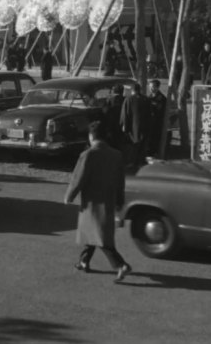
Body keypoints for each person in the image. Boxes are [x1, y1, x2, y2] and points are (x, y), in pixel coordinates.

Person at [64, 121, 132, 283]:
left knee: (99, 236)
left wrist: (70, 195)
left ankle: (120, 265)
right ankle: (84, 261)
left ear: (91, 136)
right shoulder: (116, 155)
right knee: (93, 232)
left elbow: (78, 178)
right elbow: (120, 181)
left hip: (92, 201)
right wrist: (120, 201)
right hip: (108, 199)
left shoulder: (88, 154)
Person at [120, 83, 150, 170]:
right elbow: (150, 114)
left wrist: (124, 125)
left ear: (132, 90)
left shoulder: (129, 99)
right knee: (143, 143)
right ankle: (141, 161)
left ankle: (133, 162)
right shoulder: (146, 99)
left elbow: (125, 114)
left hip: (133, 126)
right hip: (144, 126)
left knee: (134, 143)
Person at [147, 79, 167, 156]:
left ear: (157, 87)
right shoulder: (149, 97)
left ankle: (155, 153)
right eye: (150, 87)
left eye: (153, 87)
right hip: (149, 123)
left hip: (157, 123)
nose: (151, 89)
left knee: (155, 139)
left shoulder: (162, 98)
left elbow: (160, 110)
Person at [103, 84, 125, 150]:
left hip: (111, 124)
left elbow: (105, 111)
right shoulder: (125, 99)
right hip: (122, 124)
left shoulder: (109, 99)